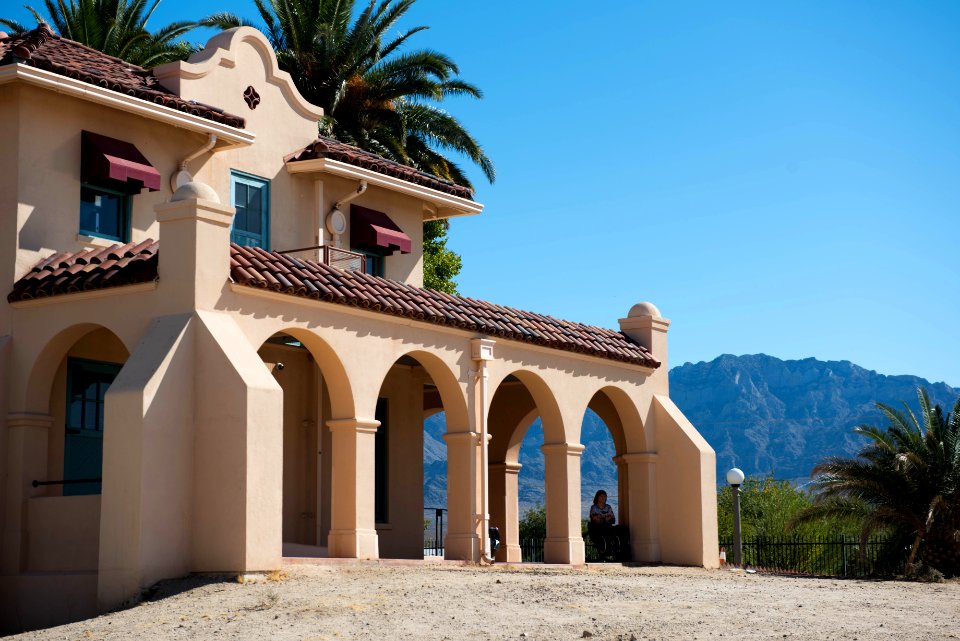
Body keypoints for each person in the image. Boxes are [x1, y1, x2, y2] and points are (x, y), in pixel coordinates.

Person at [588, 490, 616, 558]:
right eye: (601, 496)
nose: (603, 498)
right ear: (597, 497)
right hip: (597, 528)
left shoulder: (608, 507)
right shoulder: (594, 507)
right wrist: (607, 516)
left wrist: (602, 516)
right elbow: (595, 519)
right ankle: (604, 550)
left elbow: (612, 518)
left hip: (608, 526)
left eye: (604, 496)